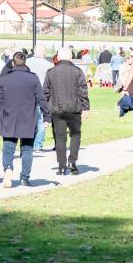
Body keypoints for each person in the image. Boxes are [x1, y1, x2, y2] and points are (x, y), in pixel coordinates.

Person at [0, 53, 48, 188]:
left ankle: (8, 168)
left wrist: (0, 114)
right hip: (28, 117)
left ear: (13, 62)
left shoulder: (5, 79)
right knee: (27, 149)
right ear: (25, 63)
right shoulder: (33, 79)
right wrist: (47, 115)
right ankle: (24, 178)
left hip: (9, 116)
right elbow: (41, 98)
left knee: (8, 147)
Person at [43, 47, 90, 175]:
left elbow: (45, 93)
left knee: (60, 138)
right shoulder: (77, 71)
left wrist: (46, 112)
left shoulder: (51, 72)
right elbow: (83, 90)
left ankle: (62, 166)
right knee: (75, 134)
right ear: (70, 57)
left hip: (57, 109)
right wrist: (86, 107)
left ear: (58, 58)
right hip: (74, 108)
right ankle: (72, 160)